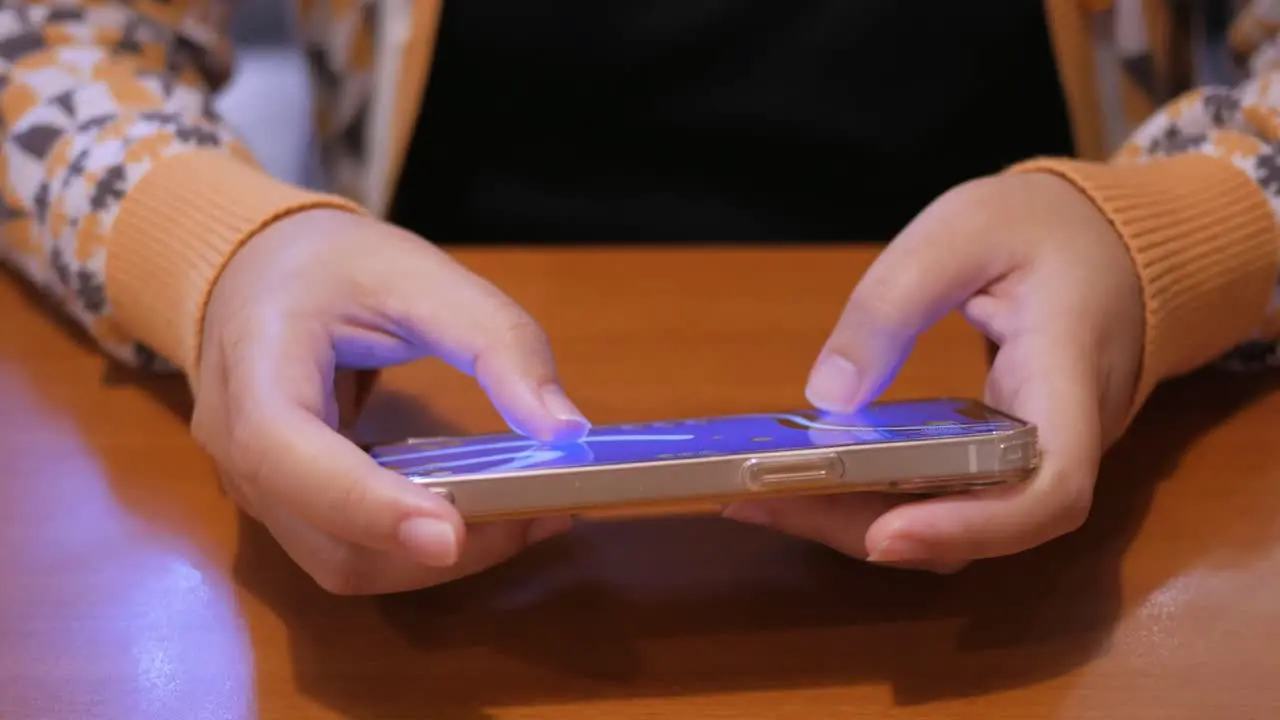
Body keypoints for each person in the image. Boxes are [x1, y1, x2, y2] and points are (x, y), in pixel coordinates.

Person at [1, 0, 1278, 594]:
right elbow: (42, 38)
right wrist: (227, 252)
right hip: (418, 419)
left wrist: (1171, 234)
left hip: (1058, 539)